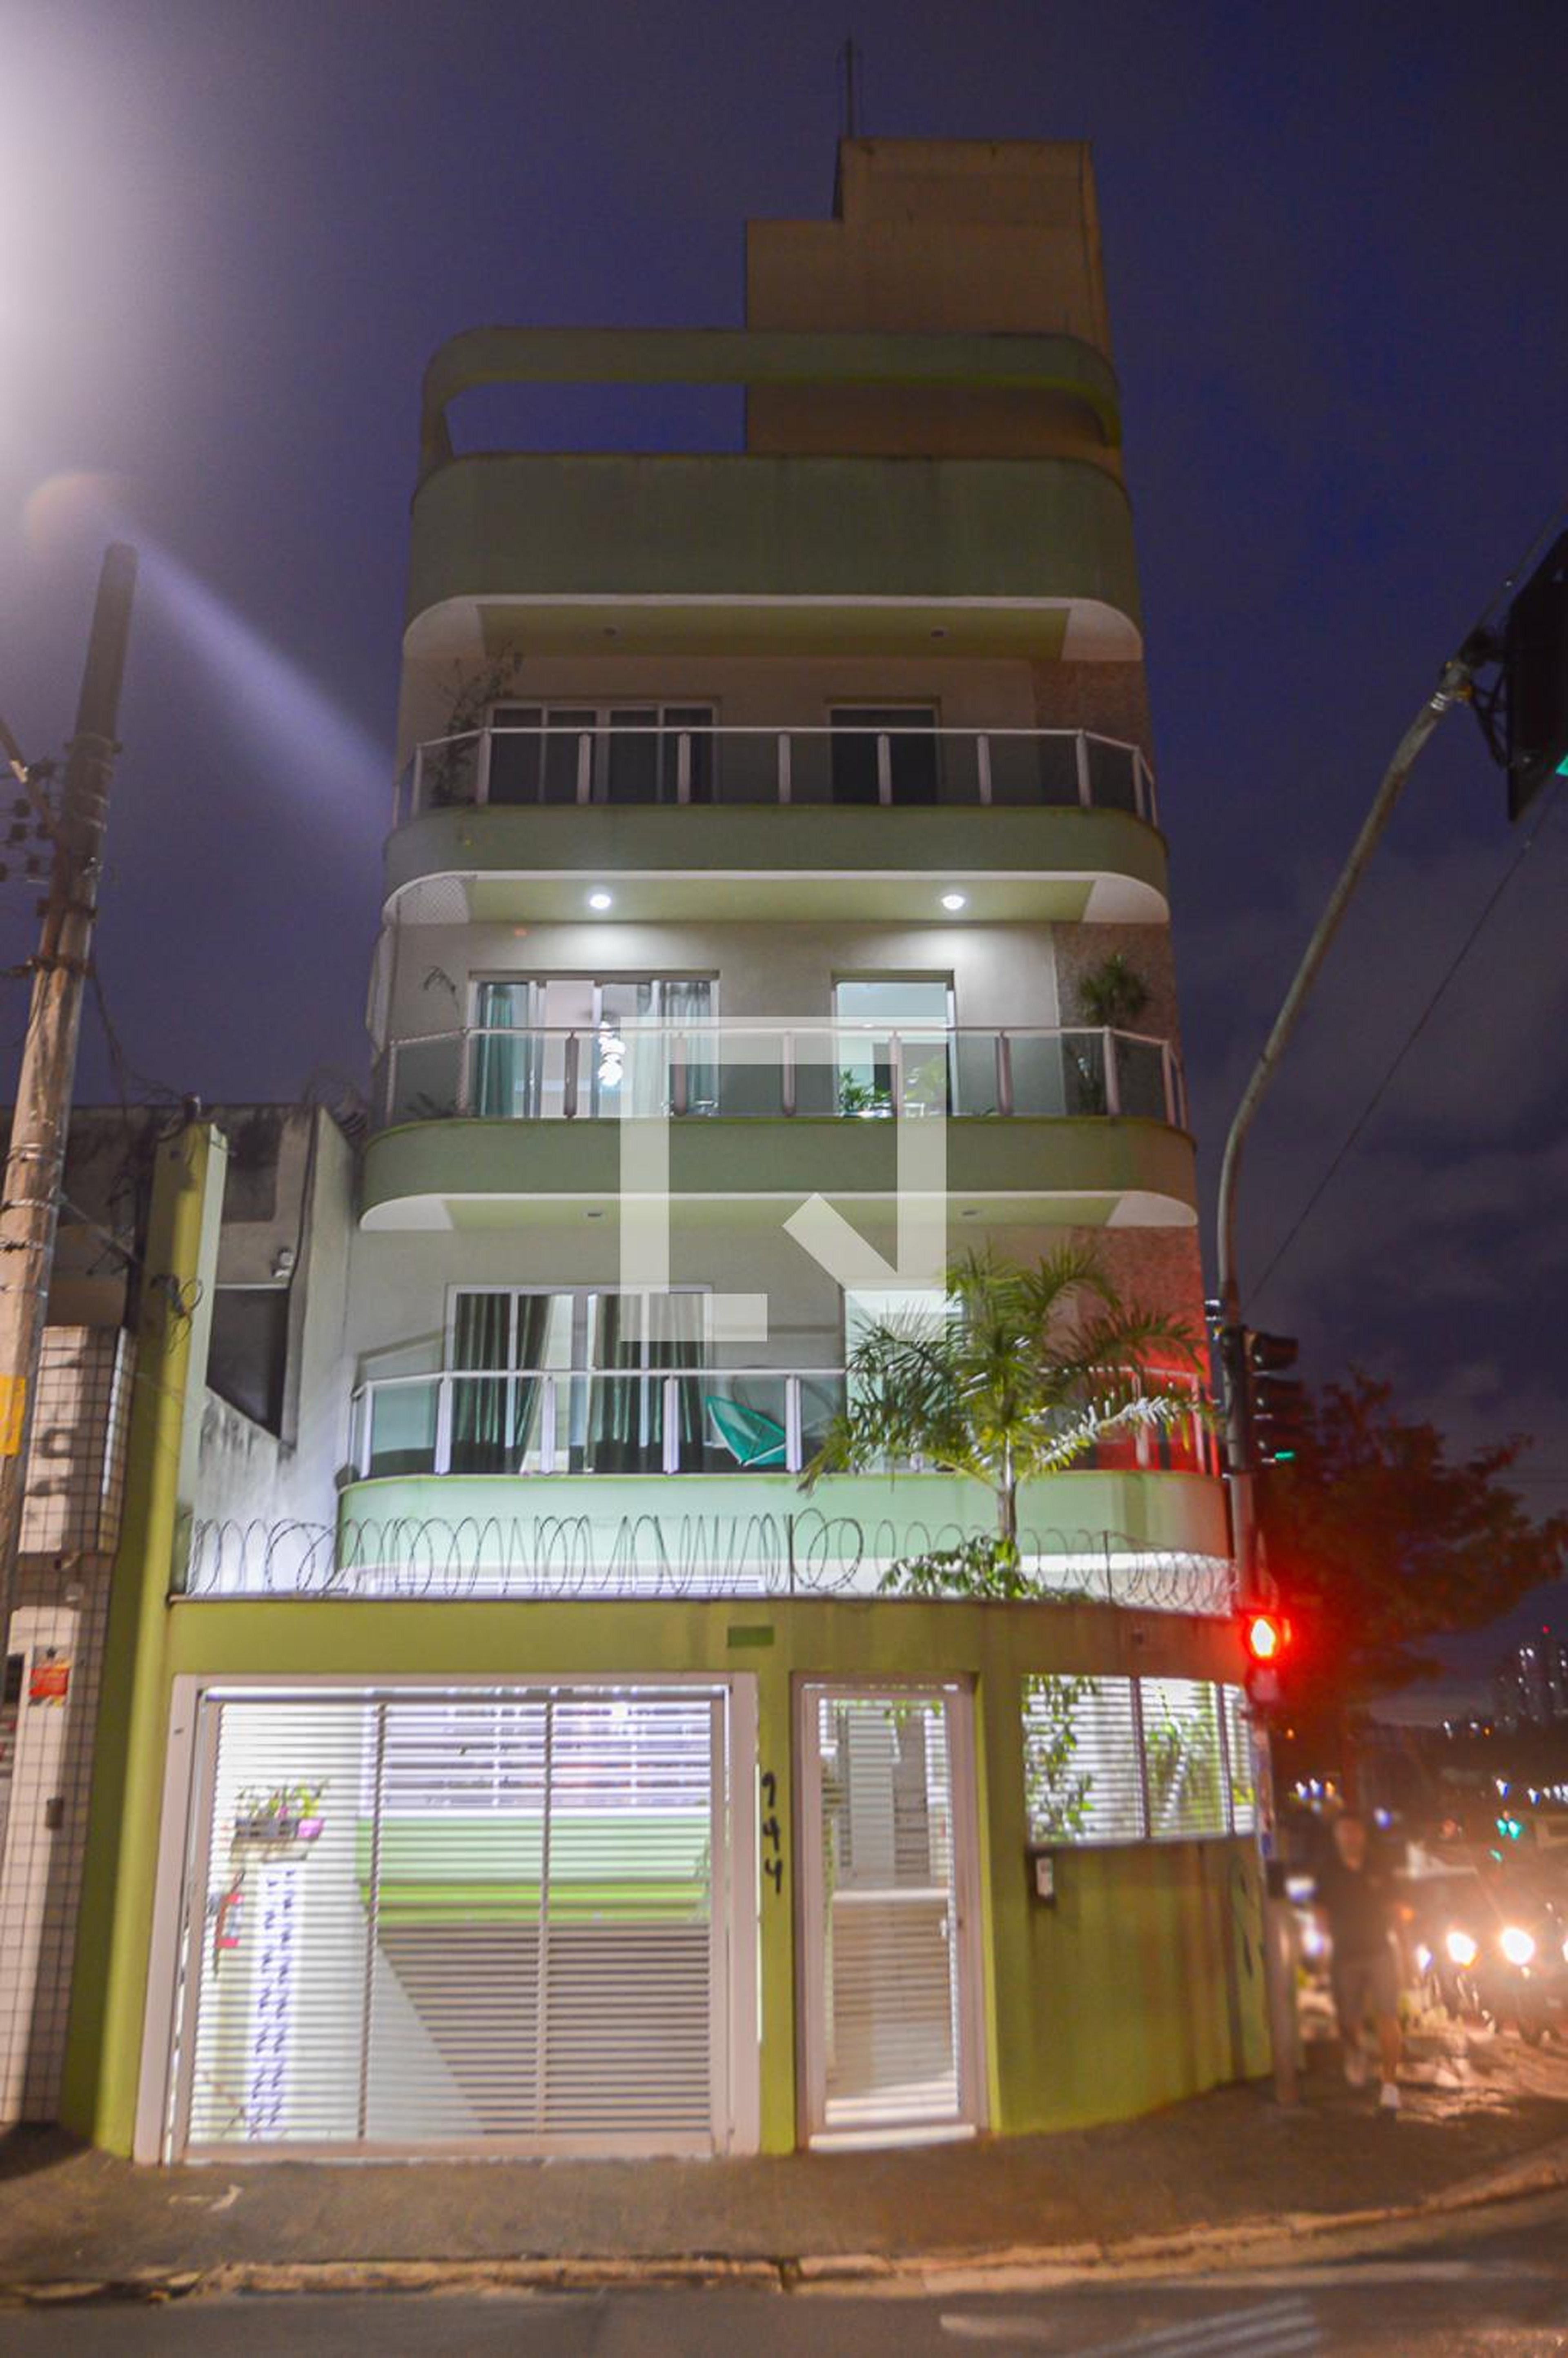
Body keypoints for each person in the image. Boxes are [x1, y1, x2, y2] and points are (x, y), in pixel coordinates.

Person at [1315, 1810, 1403, 2111]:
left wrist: (1405, 1951)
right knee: (1347, 2020)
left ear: (1363, 1834)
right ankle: (1356, 2052)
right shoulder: (1327, 1870)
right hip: (1345, 1954)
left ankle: (1390, 2084)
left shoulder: (1380, 1866)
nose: (1350, 1836)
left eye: (1355, 1830)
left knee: (1387, 2015)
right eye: (1344, 1831)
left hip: (1380, 1951)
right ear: (1337, 1836)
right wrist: (1322, 1954)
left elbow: (1396, 1911)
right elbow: (1321, 1913)